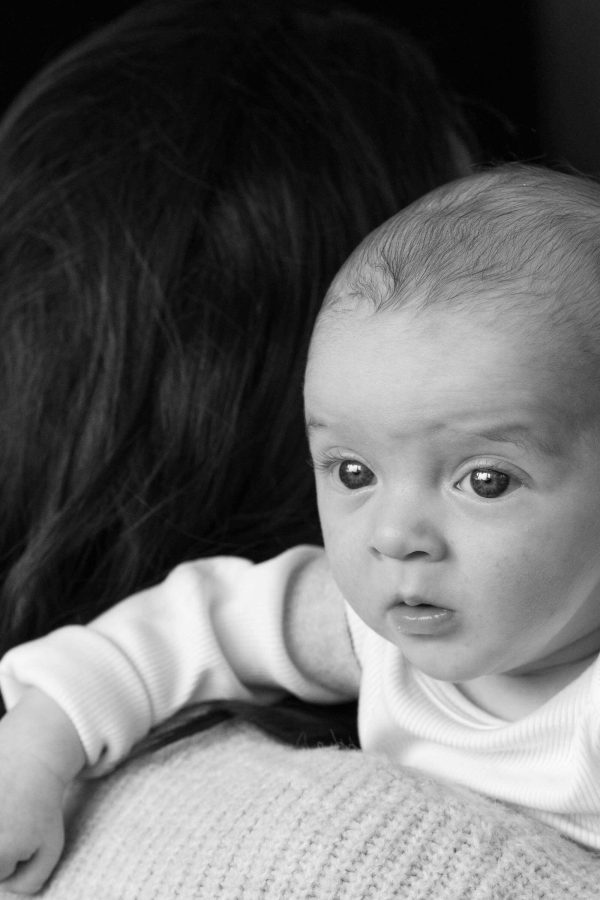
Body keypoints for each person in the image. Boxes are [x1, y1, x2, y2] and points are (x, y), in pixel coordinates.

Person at [4, 162, 600, 894]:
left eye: (485, 480)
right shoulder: (367, 633)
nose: (394, 535)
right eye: (353, 473)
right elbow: (184, 630)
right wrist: (33, 756)